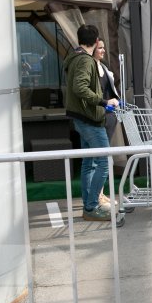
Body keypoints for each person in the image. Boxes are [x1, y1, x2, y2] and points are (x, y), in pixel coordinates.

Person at [64, 25, 119, 221]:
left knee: (89, 163)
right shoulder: (86, 61)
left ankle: (88, 205)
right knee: (104, 161)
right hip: (89, 119)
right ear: (96, 41)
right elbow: (80, 88)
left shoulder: (74, 57)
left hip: (79, 117)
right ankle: (92, 206)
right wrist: (104, 101)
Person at [93, 39, 121, 209]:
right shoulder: (90, 67)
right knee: (100, 159)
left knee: (101, 158)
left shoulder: (103, 67)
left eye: (104, 47)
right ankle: (97, 196)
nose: (102, 51)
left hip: (109, 116)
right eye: (99, 48)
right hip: (98, 117)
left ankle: (100, 194)